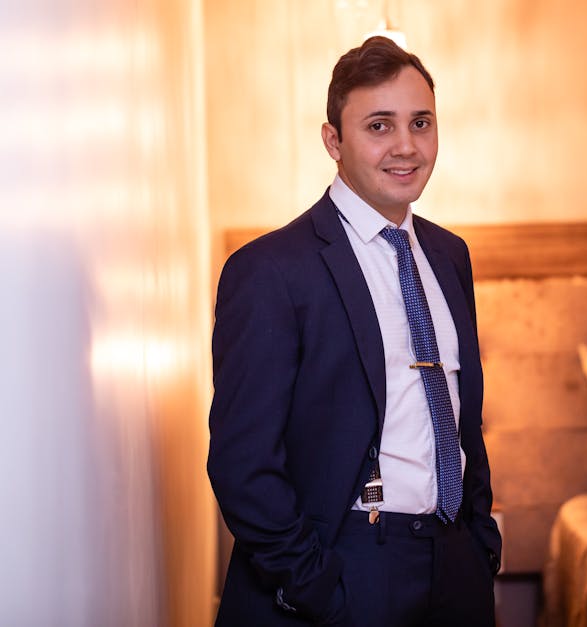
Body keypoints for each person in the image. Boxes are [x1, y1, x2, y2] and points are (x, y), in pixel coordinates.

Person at [207, 36, 501, 627]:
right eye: (379, 126)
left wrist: (478, 540)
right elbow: (242, 465)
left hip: (454, 570)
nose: (406, 146)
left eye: (421, 122)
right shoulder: (269, 270)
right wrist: (316, 585)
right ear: (333, 141)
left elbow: (461, 416)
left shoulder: (449, 255)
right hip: (343, 571)